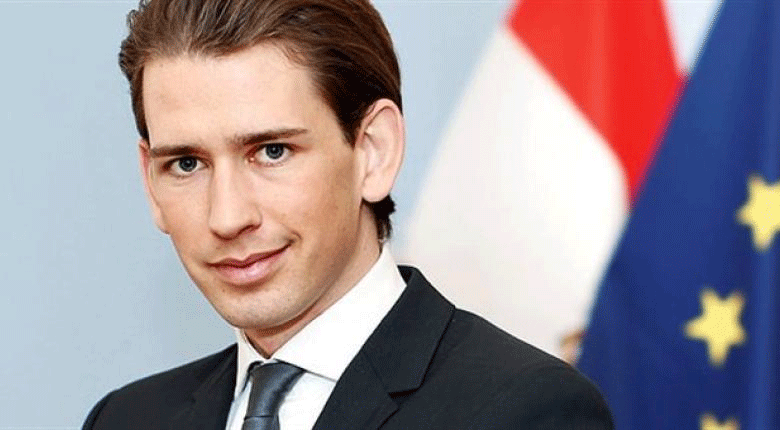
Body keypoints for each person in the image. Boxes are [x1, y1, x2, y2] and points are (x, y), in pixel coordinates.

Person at [82, 0, 613, 428]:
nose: (227, 216)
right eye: (186, 163)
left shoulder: (527, 411)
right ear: (150, 180)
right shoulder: (126, 419)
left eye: (272, 152)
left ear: (373, 152)